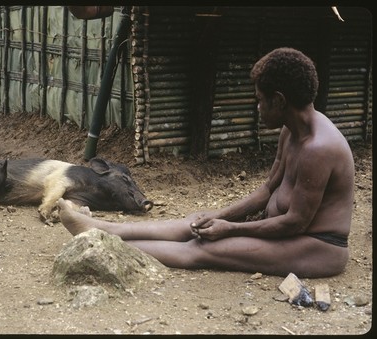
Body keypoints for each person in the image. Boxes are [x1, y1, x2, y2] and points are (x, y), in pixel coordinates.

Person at [57, 47, 355, 279]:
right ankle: (99, 227)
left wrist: (229, 229)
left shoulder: (318, 149)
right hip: (285, 231)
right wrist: (218, 215)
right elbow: (267, 190)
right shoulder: (291, 131)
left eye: (260, 99)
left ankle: (104, 246)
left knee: (202, 249)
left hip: (315, 246)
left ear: (279, 101)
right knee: (198, 222)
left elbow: (295, 223)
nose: (257, 106)